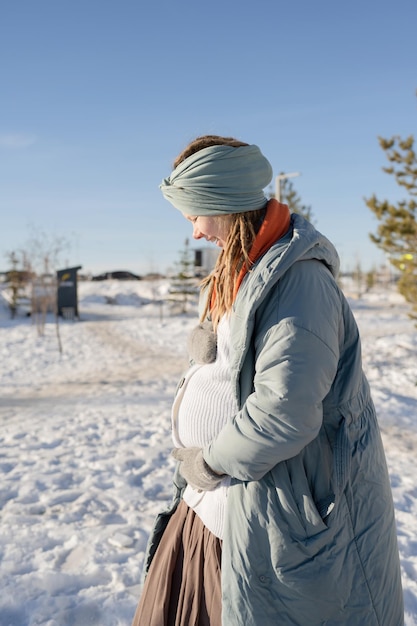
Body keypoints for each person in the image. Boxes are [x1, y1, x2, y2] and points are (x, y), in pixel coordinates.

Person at [131, 135, 404, 626]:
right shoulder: (247, 267)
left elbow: (285, 411)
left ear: (225, 202)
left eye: (196, 214)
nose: (195, 232)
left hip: (273, 514)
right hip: (215, 509)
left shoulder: (300, 281)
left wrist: (210, 463)